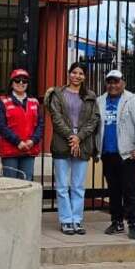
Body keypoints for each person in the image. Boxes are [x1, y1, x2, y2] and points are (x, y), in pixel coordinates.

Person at [44, 62, 99, 235]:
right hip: (62, 142)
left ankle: (76, 219)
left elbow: (94, 119)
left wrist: (79, 137)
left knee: (78, 186)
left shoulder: (90, 96)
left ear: (85, 76)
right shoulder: (57, 94)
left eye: (81, 73)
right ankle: (66, 220)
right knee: (62, 185)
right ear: (69, 74)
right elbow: (56, 117)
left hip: (83, 143)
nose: (77, 76)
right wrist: (71, 136)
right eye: (74, 72)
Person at [96, 70, 135, 240]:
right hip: (108, 153)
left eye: (116, 82)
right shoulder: (100, 101)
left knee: (130, 191)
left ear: (123, 83)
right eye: (110, 82)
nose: (113, 85)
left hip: (127, 154)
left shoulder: (132, 100)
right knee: (113, 190)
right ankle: (117, 222)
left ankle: (133, 224)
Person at [0, 68, 43, 181]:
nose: (21, 83)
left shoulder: (34, 102)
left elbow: (40, 125)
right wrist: (18, 142)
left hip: (29, 150)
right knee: (10, 183)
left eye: (24, 80)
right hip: (10, 150)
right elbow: (1, 126)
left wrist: (33, 140)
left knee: (26, 182)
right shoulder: (3, 101)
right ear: (11, 83)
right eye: (17, 80)